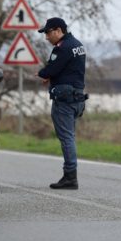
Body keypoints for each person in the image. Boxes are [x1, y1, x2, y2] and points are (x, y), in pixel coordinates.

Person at [37, 17, 87, 190]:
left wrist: (43, 74)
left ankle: (70, 177)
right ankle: (70, 175)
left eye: (48, 33)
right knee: (70, 137)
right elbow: (69, 69)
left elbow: (49, 70)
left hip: (64, 100)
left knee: (66, 138)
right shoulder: (78, 45)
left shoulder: (62, 48)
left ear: (58, 31)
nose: (46, 37)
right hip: (77, 97)